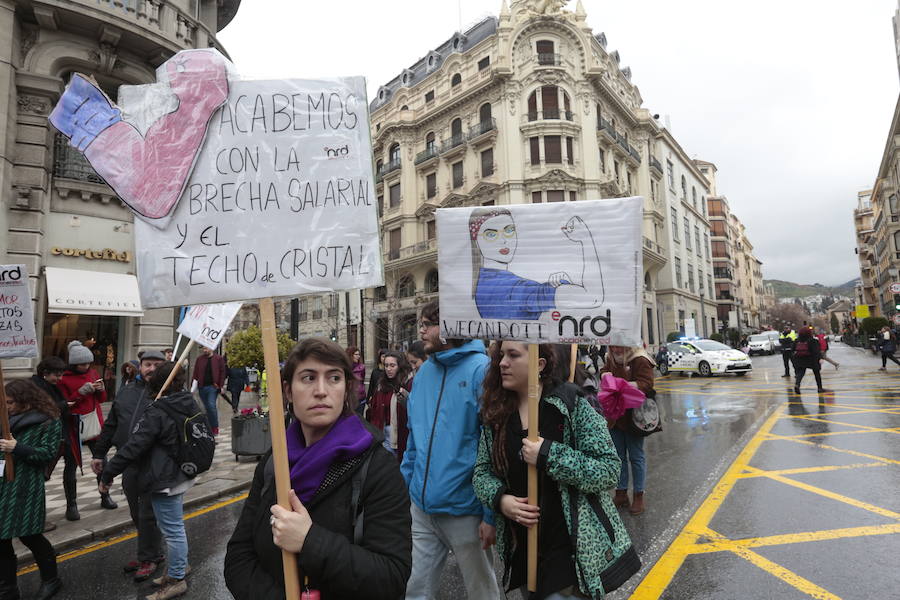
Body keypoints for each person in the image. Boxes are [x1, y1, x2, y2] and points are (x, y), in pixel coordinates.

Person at [224, 338, 412, 599]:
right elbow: (239, 556)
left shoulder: (378, 467)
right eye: (308, 378)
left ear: (346, 388)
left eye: (334, 378)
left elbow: (391, 577)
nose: (321, 390)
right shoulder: (274, 462)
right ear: (288, 391)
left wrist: (310, 541)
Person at [473, 342, 639, 599]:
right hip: (524, 552)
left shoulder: (572, 405)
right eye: (501, 355)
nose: (502, 362)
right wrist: (501, 500)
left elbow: (608, 469)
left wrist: (549, 455)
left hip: (570, 554)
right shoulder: (496, 414)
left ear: (539, 365)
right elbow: (482, 472)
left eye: (513, 355)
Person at [401, 301, 500, 600]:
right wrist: (407, 486)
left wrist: (490, 513)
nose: (421, 329)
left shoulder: (481, 370)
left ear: (451, 328)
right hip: (422, 507)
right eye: (421, 322)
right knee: (416, 589)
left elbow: (493, 443)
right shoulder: (424, 373)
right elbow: (414, 436)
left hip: (466, 509)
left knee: (481, 590)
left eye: (429, 323)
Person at [100, 362, 198, 600]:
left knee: (172, 530)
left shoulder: (159, 409)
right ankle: (178, 567)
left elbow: (135, 445)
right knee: (173, 526)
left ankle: (176, 580)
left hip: (163, 476)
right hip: (178, 473)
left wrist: (108, 472)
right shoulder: (185, 401)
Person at [92, 350, 166, 582]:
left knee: (147, 514)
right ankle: (151, 552)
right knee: (136, 511)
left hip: (155, 464)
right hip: (128, 462)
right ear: (140, 366)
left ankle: (149, 558)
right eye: (147, 364)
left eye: (156, 365)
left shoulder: (167, 394)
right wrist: (99, 453)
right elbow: (112, 424)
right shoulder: (126, 391)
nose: (151, 369)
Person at [468, 207, 605, 320]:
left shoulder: (483, 283)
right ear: (476, 241)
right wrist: (586, 239)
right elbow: (592, 298)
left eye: (509, 231)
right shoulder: (515, 289)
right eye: (491, 235)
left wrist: (564, 283)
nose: (503, 240)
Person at [0, 379, 64, 600]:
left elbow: (46, 454)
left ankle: (51, 580)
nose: (6, 406)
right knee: (1, 538)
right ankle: (7, 587)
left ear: (26, 401)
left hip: (26, 486)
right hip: (2, 485)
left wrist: (18, 447)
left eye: (10, 402)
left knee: (30, 536)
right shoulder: (3, 419)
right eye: (4, 402)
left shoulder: (49, 421)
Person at [57, 340, 118, 510]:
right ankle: (72, 505)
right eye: (82, 363)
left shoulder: (92, 373)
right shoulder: (63, 379)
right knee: (70, 466)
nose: (86, 366)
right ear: (74, 363)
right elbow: (64, 404)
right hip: (73, 427)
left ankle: (105, 496)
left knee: (102, 462)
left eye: (88, 363)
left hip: (94, 425)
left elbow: (102, 400)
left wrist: (101, 389)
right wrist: (80, 393)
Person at [601, 345, 655, 515]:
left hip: (634, 417)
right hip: (615, 416)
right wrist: (604, 374)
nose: (616, 349)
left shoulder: (639, 358)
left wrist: (624, 385)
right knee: (618, 457)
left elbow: (647, 383)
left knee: (636, 457)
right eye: (613, 346)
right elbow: (604, 370)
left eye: (619, 346)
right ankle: (621, 492)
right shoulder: (610, 357)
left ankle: (639, 495)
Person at [30, 357, 79, 523]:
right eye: (57, 375)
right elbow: (45, 409)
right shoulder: (36, 387)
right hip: (49, 438)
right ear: (45, 373)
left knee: (70, 469)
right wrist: (65, 405)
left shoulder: (50, 385)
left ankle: (72, 506)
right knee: (41, 475)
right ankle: (36, 516)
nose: (60, 379)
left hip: (64, 434)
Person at [366, 351, 411, 460]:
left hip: (400, 434)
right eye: (386, 365)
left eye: (392, 365)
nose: (388, 369)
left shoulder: (407, 384)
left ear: (400, 366)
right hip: (382, 431)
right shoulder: (381, 384)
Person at [191, 345, 225, 436]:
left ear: (211, 348)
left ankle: (215, 427)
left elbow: (222, 372)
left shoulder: (218, 359)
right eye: (203, 348)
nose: (204, 350)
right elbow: (196, 373)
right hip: (202, 386)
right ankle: (208, 427)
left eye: (206, 348)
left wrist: (221, 386)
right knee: (205, 408)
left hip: (213, 387)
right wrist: (193, 387)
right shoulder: (200, 359)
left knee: (211, 406)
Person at [792, 327, 829, 394]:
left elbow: (793, 350)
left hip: (800, 359)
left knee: (800, 373)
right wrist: (820, 358)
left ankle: (797, 384)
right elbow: (817, 351)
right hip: (812, 359)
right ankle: (819, 388)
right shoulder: (812, 340)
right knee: (816, 373)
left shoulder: (797, 341)